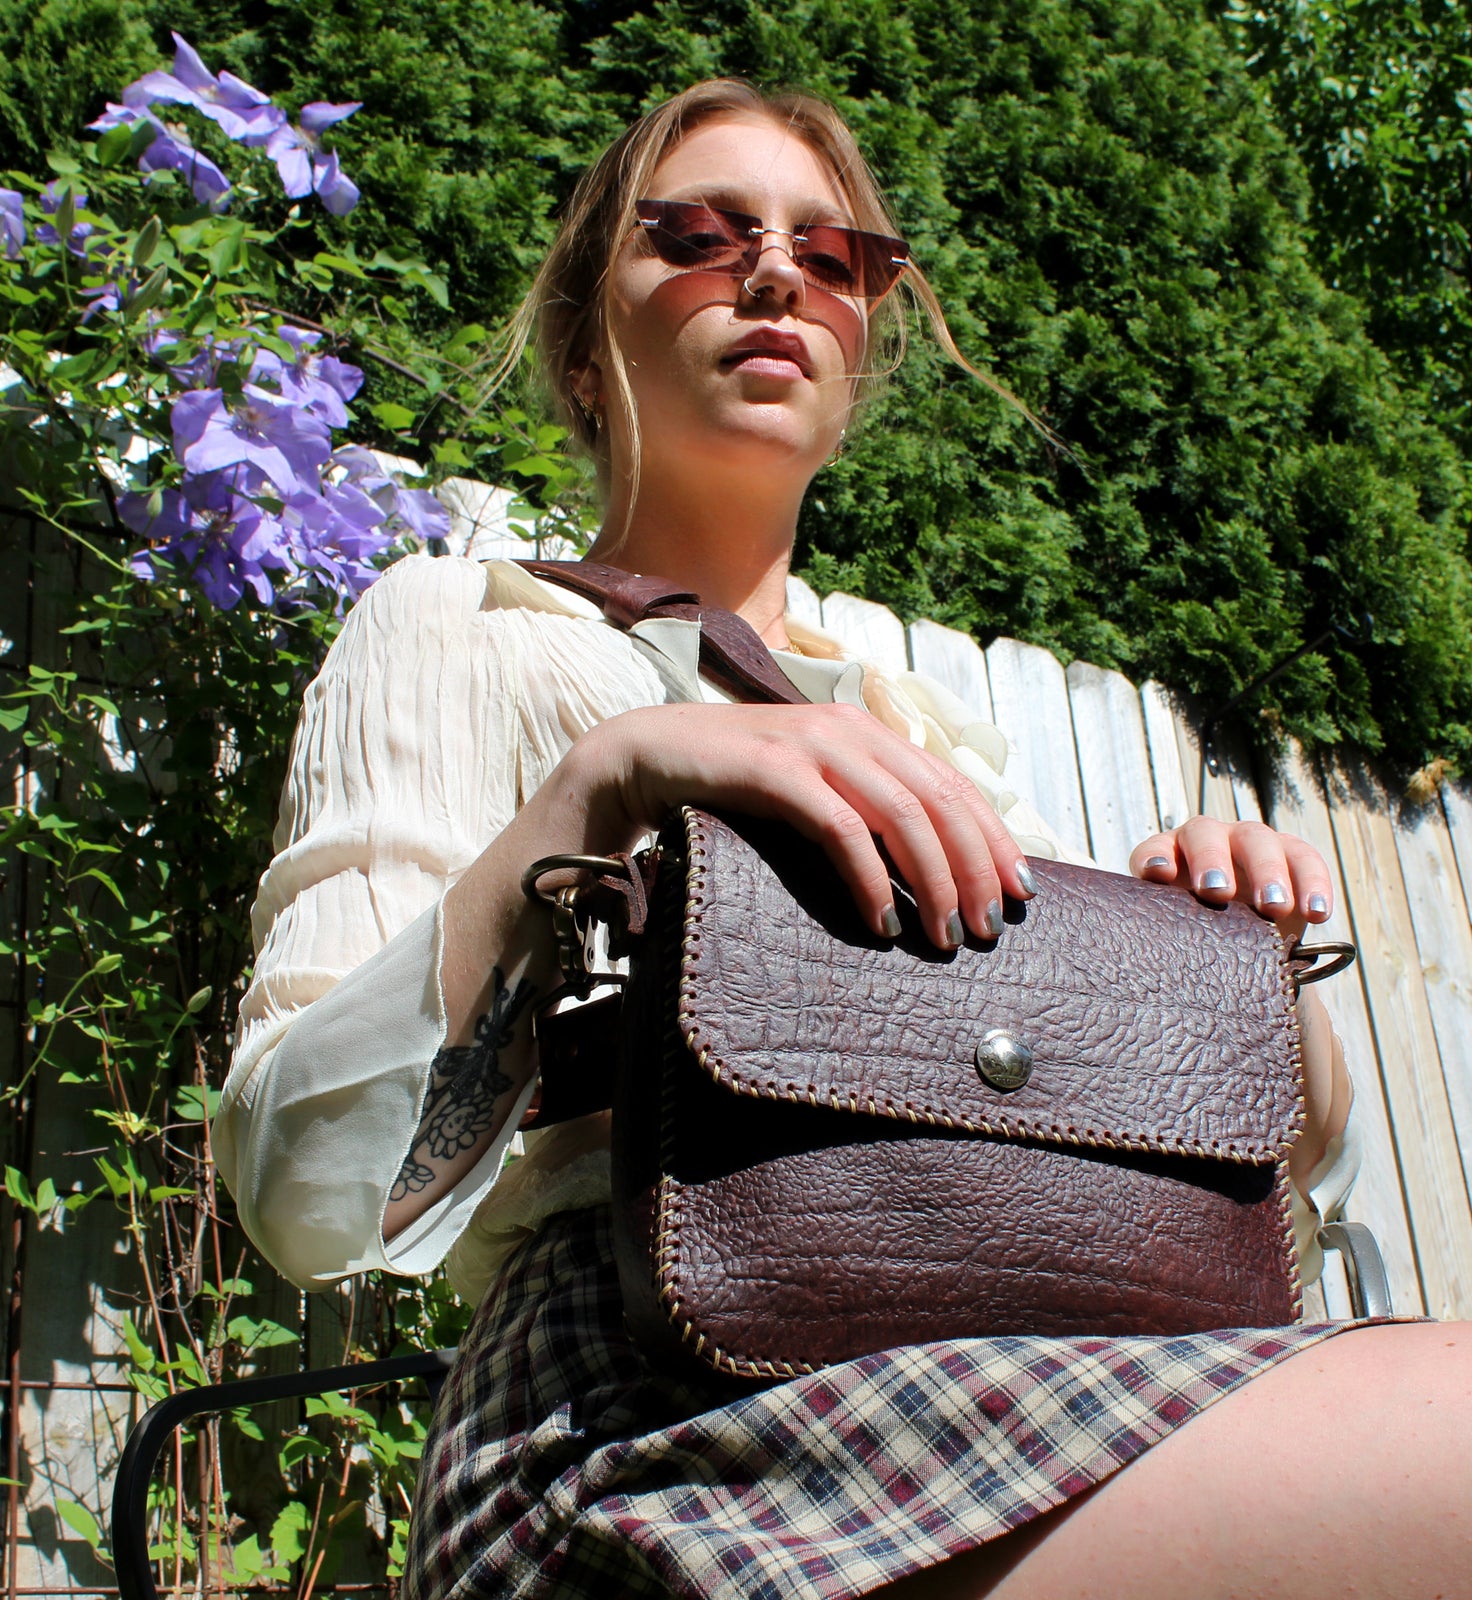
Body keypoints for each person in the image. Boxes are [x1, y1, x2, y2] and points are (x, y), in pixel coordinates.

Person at [213, 79, 1469, 1600]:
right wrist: (599, 789)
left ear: (862, 336)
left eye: (831, 253)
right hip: (636, 1425)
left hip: (1023, 1380)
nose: (770, 274)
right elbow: (300, 1194)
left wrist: (1245, 963)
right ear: (581, 343)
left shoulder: (936, 744)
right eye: (697, 232)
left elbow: (1284, 1165)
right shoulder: (460, 629)